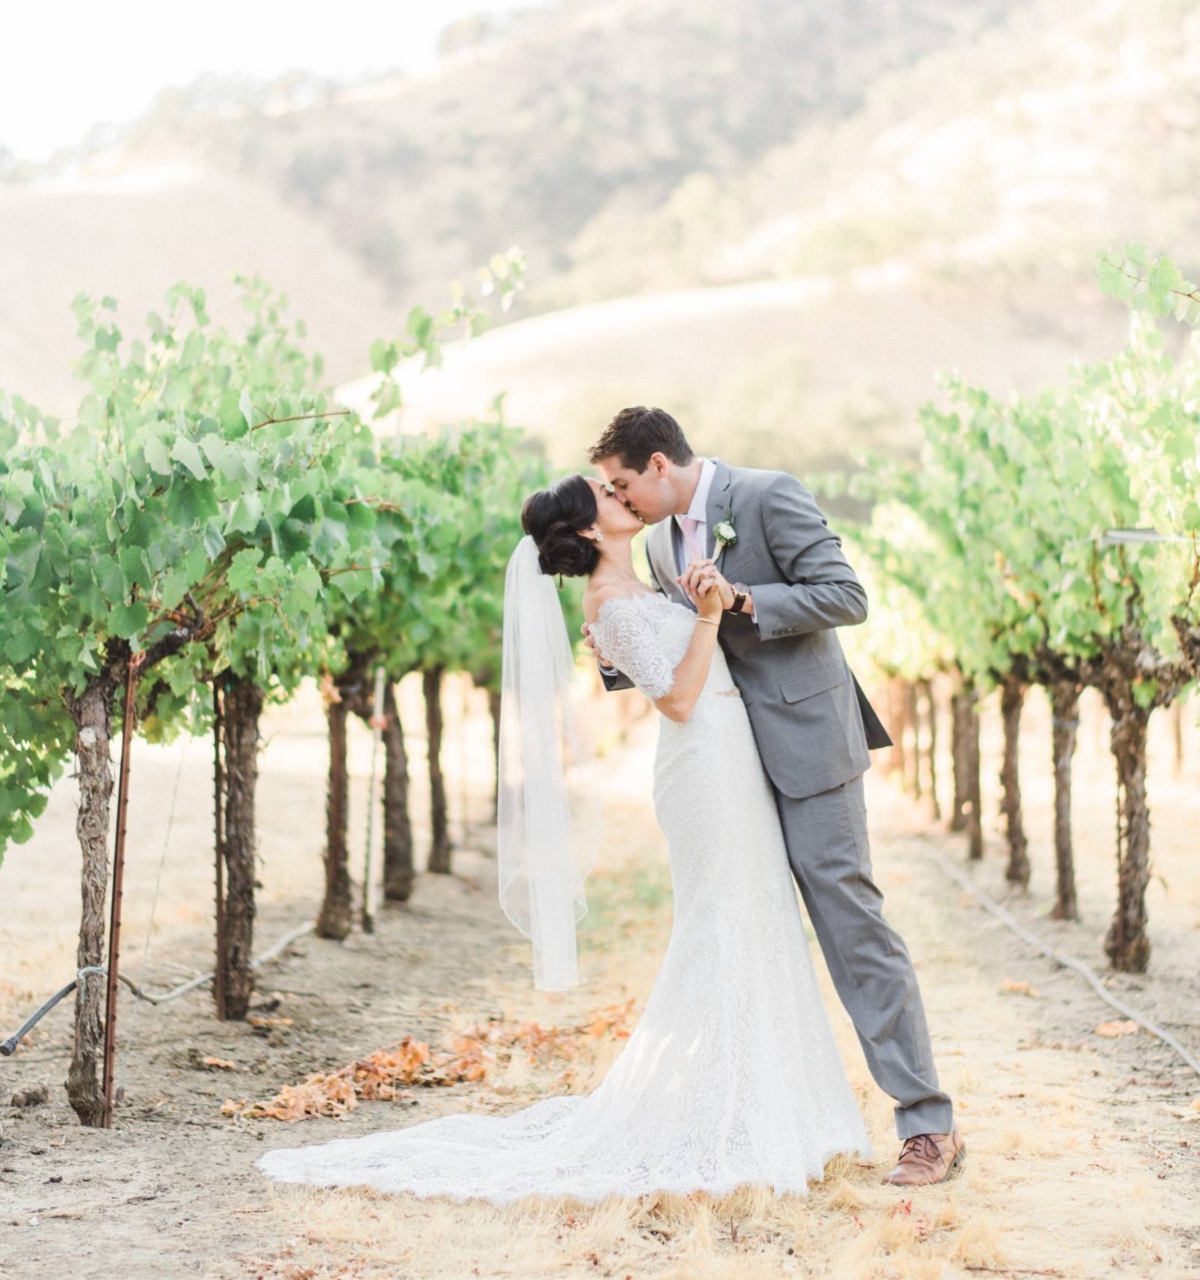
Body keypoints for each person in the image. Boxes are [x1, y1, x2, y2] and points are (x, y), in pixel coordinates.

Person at [256, 466, 873, 1204]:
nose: (622, 498)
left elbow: (664, 665)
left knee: (760, 913)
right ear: (586, 530)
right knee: (722, 920)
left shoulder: (644, 582)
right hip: (703, 762)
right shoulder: (608, 602)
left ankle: (769, 1105)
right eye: (607, 497)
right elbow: (676, 699)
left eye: (619, 489)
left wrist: (693, 611)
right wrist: (707, 617)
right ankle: (727, 1113)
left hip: (735, 754)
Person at [586, 406, 963, 1189]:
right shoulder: (655, 544)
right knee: (745, 934)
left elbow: (846, 595)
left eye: (624, 485)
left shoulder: (767, 494)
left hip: (807, 748)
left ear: (660, 465)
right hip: (723, 764)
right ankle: (765, 1117)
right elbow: (681, 642)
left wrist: (747, 597)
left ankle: (927, 1123)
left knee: (851, 923)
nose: (618, 502)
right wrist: (614, 652)